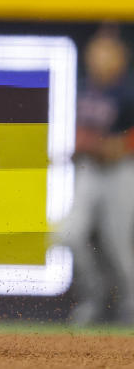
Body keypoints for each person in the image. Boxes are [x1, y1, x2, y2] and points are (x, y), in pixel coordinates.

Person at [58, 24, 134, 325]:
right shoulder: (85, 87)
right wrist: (82, 144)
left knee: (118, 243)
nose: (100, 58)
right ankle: (95, 299)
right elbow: (84, 132)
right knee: (71, 233)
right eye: (97, 51)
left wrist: (122, 144)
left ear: (121, 57)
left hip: (122, 172)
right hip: (90, 169)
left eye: (107, 52)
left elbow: (123, 140)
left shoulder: (128, 89)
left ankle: (129, 305)